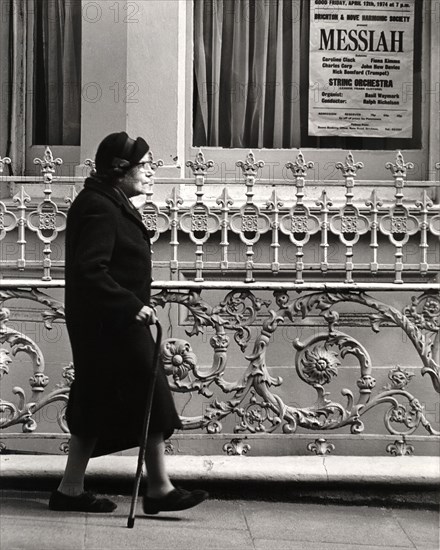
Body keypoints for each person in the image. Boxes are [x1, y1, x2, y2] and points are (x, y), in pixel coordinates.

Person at [49, 131, 208, 514]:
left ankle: (73, 490)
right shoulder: (99, 207)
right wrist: (127, 305)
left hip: (112, 322)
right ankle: (158, 488)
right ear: (120, 171)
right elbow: (91, 270)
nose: (152, 172)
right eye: (146, 166)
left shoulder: (109, 201)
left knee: (98, 401)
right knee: (144, 392)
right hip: (109, 324)